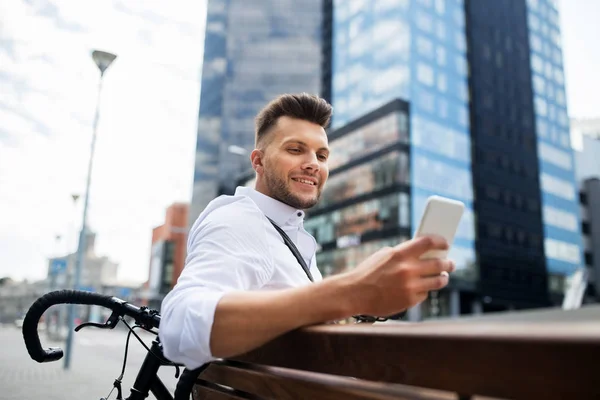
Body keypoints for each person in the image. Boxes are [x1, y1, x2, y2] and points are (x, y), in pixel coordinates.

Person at [159, 93, 455, 369]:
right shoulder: (239, 221)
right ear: (258, 162)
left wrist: (370, 302)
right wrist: (353, 290)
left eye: (322, 156)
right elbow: (179, 324)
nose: (313, 164)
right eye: (295, 149)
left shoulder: (289, 233)